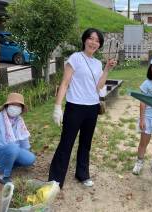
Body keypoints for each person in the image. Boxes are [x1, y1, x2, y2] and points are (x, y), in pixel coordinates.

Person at [48, 28, 117, 189]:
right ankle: (55, 179)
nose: (93, 42)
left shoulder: (97, 63)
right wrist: (57, 106)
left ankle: (82, 174)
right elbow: (65, 83)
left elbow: (98, 87)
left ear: (99, 45)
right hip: (75, 107)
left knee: (86, 143)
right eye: (91, 39)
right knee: (66, 143)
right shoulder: (75, 58)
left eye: (97, 41)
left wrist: (106, 69)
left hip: (92, 108)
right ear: (84, 40)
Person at [0, 93, 36, 184]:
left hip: (12, 150)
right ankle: (1, 174)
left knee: (30, 158)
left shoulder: (19, 120)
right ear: (7, 106)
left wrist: (26, 153)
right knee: (13, 147)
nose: (15, 107)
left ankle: (4, 165)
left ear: (21, 109)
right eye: (13, 104)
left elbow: (24, 140)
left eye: (18, 106)